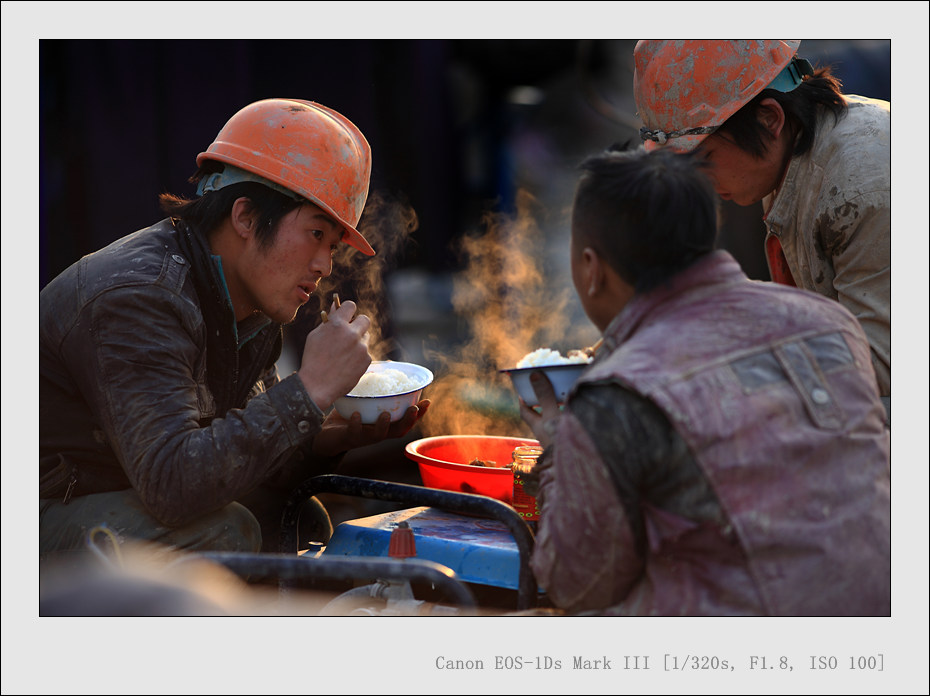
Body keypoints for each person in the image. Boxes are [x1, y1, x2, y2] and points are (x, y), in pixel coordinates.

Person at [40, 98, 429, 564]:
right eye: (315, 234)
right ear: (245, 217)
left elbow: (234, 463)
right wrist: (310, 389)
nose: (325, 265)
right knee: (227, 531)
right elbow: (173, 485)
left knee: (299, 518)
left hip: (113, 495)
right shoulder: (140, 298)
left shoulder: (249, 306)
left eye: (332, 245)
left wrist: (328, 437)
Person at [519, 146, 890, 616]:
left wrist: (558, 451)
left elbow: (578, 587)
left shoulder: (615, 399)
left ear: (592, 270)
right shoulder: (831, 323)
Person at [632, 40, 890, 421]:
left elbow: (877, 373)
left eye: (704, 159)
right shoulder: (790, 155)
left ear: (769, 119)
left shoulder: (863, 182)